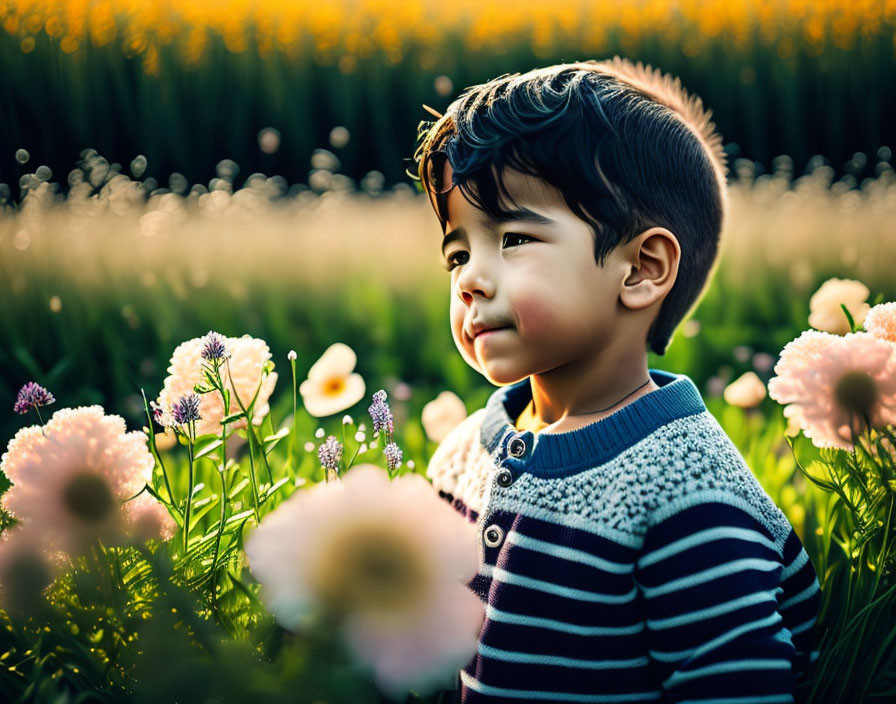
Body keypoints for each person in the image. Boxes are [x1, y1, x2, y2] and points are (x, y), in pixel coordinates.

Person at [412, 57, 820, 703]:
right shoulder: (466, 452)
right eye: (458, 253)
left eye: (513, 238)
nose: (467, 279)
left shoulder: (687, 500)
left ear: (641, 270)